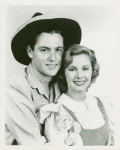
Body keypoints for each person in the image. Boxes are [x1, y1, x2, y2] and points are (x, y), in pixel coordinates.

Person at [5, 12, 82, 145]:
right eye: (44, 50)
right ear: (30, 51)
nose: (53, 58)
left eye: (58, 50)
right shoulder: (14, 88)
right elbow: (33, 145)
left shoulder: (63, 82)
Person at [38, 44, 114, 146]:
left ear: (92, 71)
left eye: (85, 69)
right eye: (72, 69)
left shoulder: (103, 103)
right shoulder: (59, 115)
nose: (79, 75)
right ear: (63, 73)